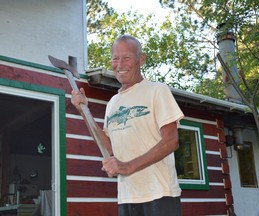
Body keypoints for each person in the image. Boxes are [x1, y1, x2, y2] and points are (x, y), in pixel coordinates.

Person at [71, 35, 184, 216]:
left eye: (127, 58)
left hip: (160, 194)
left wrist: (127, 166)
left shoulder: (157, 90)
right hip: (127, 196)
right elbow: (108, 147)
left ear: (141, 59)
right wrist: (84, 111)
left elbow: (171, 141)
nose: (120, 64)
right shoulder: (113, 103)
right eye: (115, 58)